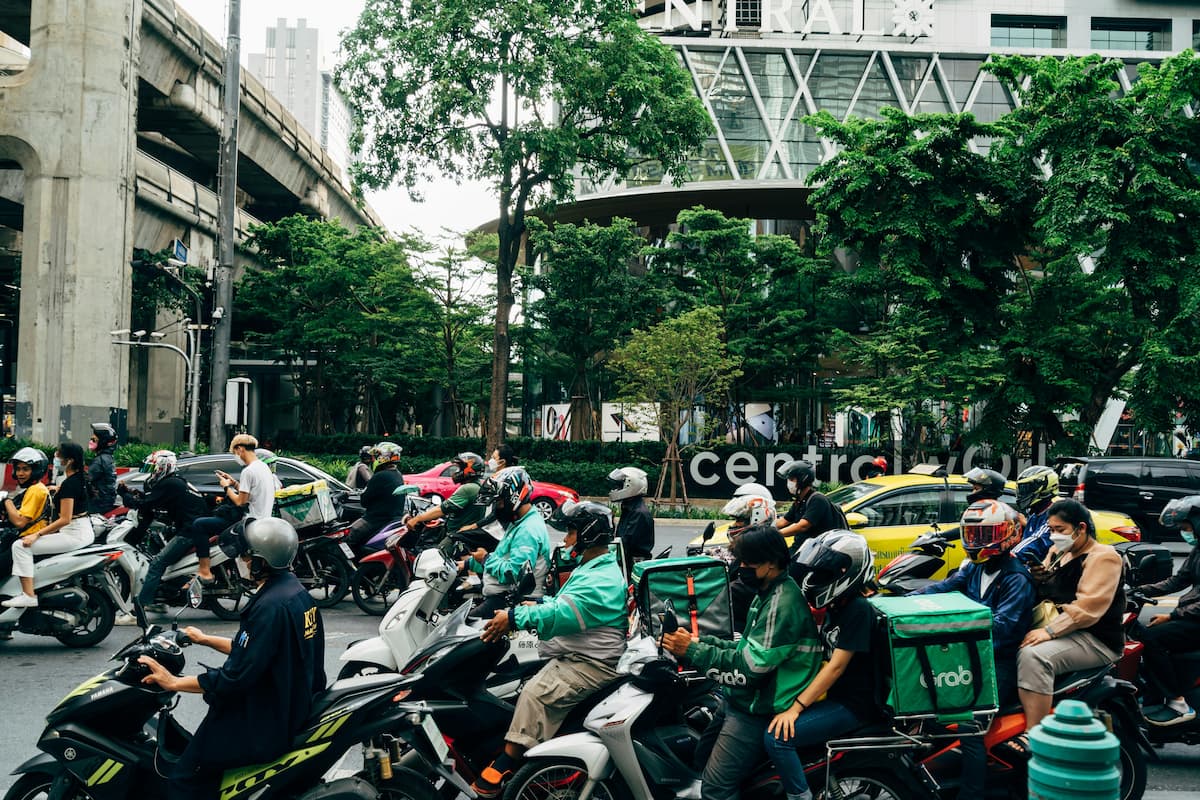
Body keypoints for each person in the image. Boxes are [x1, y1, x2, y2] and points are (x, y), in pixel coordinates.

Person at [137, 517, 325, 800]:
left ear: (261, 561)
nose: (241, 561)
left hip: (264, 720)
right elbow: (260, 652)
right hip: (290, 705)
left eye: (246, 556)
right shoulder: (296, 594)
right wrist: (204, 639)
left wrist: (173, 682)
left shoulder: (269, 607)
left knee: (185, 778)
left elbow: (234, 678)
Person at [473, 500, 629, 798]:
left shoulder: (601, 578)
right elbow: (560, 604)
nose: (566, 539)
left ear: (588, 535)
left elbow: (563, 614)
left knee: (537, 693)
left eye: (571, 532)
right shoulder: (593, 567)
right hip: (574, 652)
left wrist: (516, 617)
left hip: (591, 663)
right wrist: (536, 604)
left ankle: (509, 761)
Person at [661, 525, 821, 800]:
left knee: (716, 789)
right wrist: (698, 643)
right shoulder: (767, 593)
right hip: (742, 699)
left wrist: (693, 652)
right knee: (701, 758)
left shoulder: (781, 603)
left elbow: (749, 670)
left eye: (749, 562)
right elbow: (744, 648)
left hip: (759, 708)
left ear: (771, 562)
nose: (742, 567)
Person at [915, 499, 1035, 796]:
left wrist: (956, 635)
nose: (975, 542)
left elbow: (1004, 627)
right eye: (971, 535)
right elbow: (943, 588)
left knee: (971, 730)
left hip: (999, 663)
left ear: (1007, 535)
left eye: (984, 536)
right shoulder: (975, 569)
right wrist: (900, 601)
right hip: (970, 657)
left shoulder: (1016, 577)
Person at [764, 529, 878, 800]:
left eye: (826, 573)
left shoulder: (858, 610)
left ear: (846, 572)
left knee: (777, 739)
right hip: (836, 697)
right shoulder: (838, 605)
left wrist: (796, 708)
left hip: (853, 705)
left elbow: (836, 666)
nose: (817, 578)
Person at [1018, 499, 1125, 730]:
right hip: (1064, 628)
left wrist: (1048, 632)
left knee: (1034, 657)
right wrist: (1038, 577)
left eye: (1061, 530)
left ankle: (1034, 732)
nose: (1055, 536)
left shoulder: (1103, 556)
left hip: (1094, 638)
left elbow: (1087, 608)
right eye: (1052, 530)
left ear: (1081, 528)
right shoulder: (1058, 551)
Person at [116, 450, 208, 620]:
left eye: (154, 469)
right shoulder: (174, 482)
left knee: (157, 563)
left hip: (189, 531)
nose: (152, 473)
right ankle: (158, 600)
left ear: (163, 468)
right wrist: (133, 493)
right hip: (188, 527)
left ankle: (140, 610)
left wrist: (125, 495)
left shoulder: (171, 483)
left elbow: (144, 505)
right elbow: (152, 500)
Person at [1133, 495, 1200, 726]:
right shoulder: (1199, 550)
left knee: (1151, 637)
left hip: (1196, 620)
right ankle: (1153, 700)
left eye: (1186, 527)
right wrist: (1136, 590)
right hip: (1192, 616)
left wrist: (1172, 615)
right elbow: (1177, 581)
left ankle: (1177, 701)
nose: (1184, 532)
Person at [4, 442, 95, 608]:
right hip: (81, 530)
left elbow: (65, 519)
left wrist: (36, 535)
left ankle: (28, 595)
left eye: (59, 456)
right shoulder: (75, 480)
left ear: (69, 461)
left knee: (20, 546)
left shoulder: (69, 484)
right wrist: (55, 489)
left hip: (73, 534)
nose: (56, 458)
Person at [187, 434, 276, 584]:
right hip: (262, 520)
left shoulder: (248, 471)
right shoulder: (262, 467)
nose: (235, 456)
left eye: (234, 453)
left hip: (248, 524)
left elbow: (240, 501)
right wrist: (234, 483)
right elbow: (250, 494)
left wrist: (226, 487)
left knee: (199, 525)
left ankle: (205, 570)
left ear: (240, 449)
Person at [464, 466, 550, 619]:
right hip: (503, 596)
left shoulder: (527, 531)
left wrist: (485, 559)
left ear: (514, 497)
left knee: (463, 627)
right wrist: (466, 564)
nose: (497, 507)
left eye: (499, 501)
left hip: (512, 601)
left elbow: (515, 572)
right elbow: (503, 556)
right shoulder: (519, 522)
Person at [347, 441, 408, 557]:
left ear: (383, 458)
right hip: (393, 518)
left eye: (375, 457)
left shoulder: (380, 476)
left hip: (376, 519)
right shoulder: (397, 474)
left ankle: (349, 570)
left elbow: (364, 501)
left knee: (350, 536)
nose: (373, 460)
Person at [0, 447, 52, 580]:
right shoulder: (35, 488)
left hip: (26, 540)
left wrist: (6, 501)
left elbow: (20, 521)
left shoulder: (35, 490)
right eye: (18, 469)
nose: (20, 473)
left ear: (35, 471)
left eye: (25, 469)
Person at [775, 460, 847, 556]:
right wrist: (762, 528)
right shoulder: (799, 500)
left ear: (803, 480)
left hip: (815, 552)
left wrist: (776, 535)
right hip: (801, 548)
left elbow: (802, 526)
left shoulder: (817, 500)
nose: (789, 483)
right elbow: (783, 521)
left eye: (792, 479)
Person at [405, 452, 487, 536]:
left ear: (470, 470)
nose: (456, 472)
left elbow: (442, 509)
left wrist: (417, 519)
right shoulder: (478, 485)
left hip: (458, 535)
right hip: (467, 532)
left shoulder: (468, 488)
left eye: (460, 468)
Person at [1011, 465, 1060, 566]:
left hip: (1044, 576)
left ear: (1045, 488)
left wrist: (1010, 557)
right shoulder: (1034, 515)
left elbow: (1036, 541)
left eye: (1027, 489)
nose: (1022, 493)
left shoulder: (1054, 515)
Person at [608, 466, 653, 561]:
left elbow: (625, 543)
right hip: (626, 560)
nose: (615, 490)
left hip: (633, 564)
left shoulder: (639, 513)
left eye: (619, 486)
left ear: (630, 485)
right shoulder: (630, 508)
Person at [86, 422, 119, 514]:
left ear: (102, 441)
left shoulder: (99, 460)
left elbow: (87, 479)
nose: (91, 441)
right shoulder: (107, 457)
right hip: (106, 502)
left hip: (98, 504)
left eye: (94, 440)